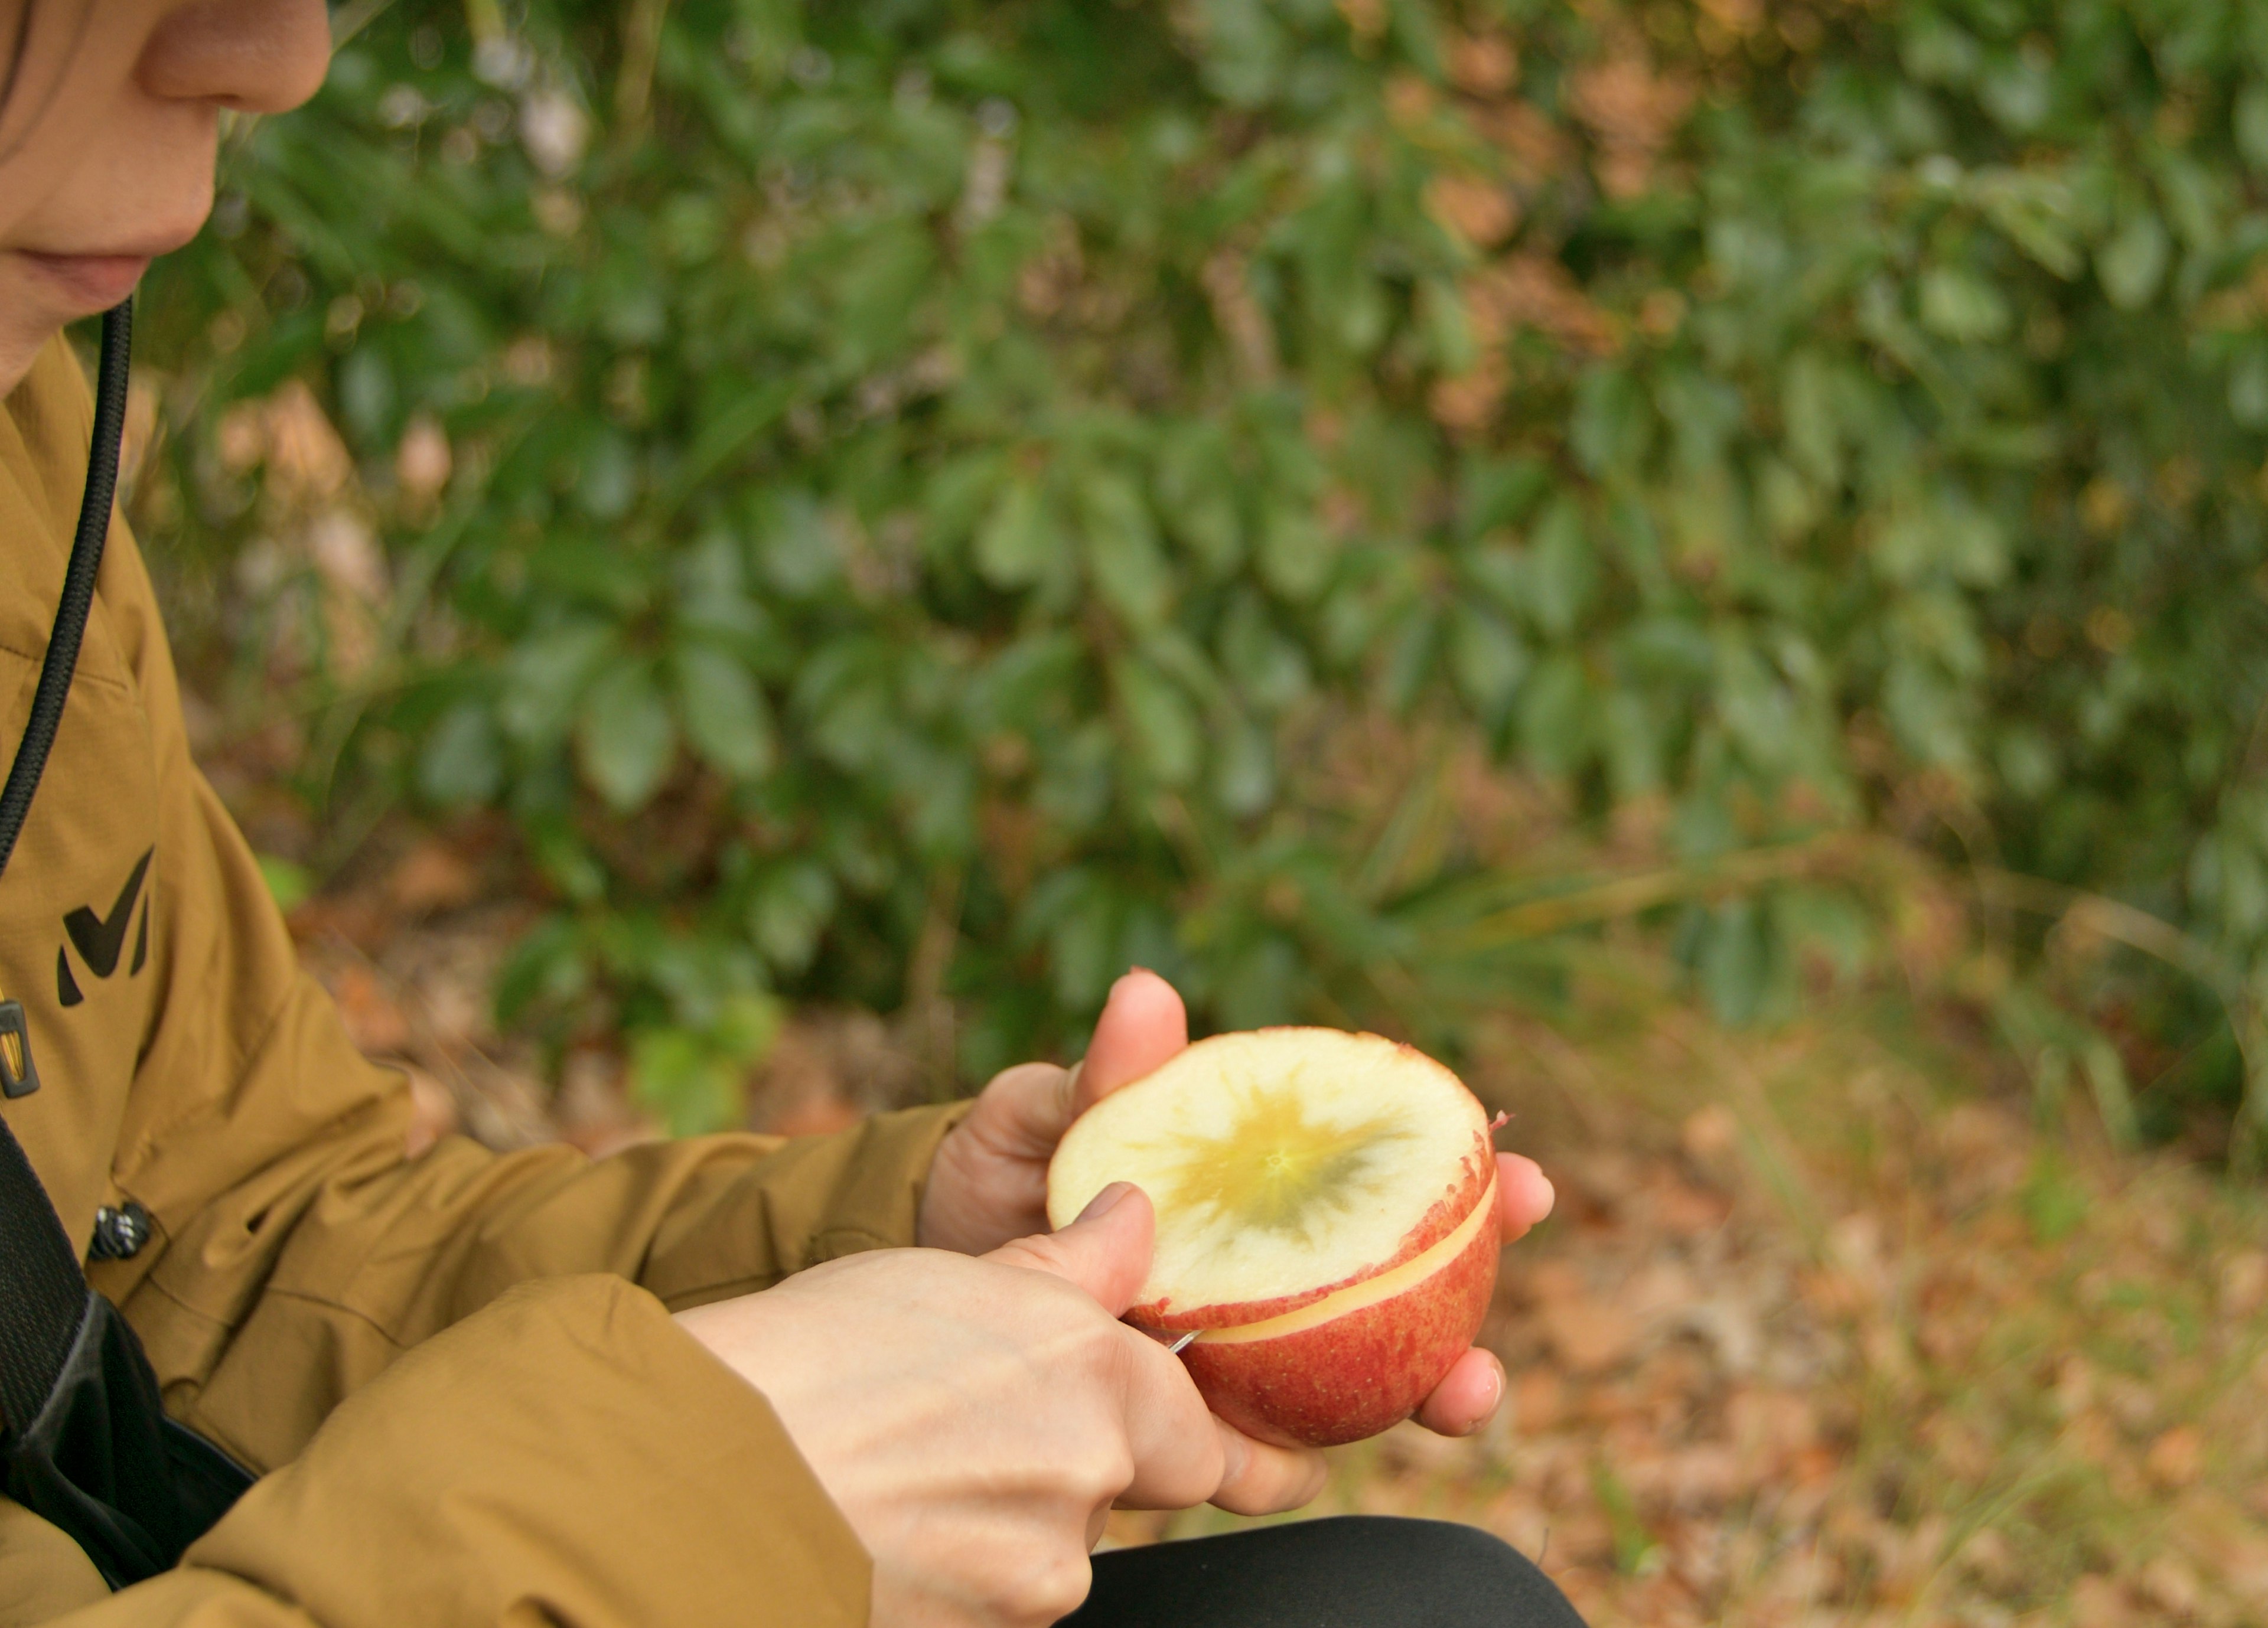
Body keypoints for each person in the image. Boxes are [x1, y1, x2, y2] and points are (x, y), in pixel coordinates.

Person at [0, 4, 1588, 1625]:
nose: (271, 57)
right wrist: (700, 1509)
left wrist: (893, 1250)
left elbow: (226, 1262)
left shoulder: (23, 462)